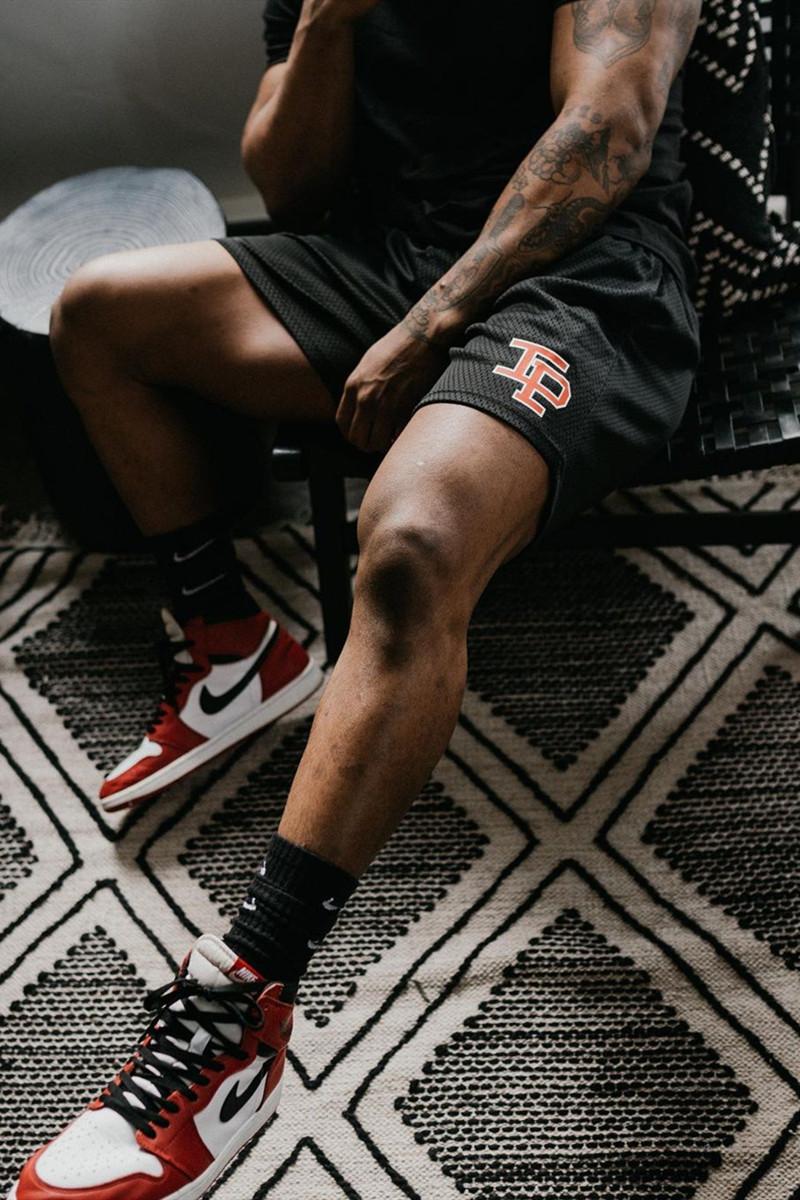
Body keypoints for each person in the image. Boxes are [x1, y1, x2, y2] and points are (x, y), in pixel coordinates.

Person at [9, 0, 704, 1195]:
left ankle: (240, 1008)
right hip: (392, 258)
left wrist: (434, 325)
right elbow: (289, 185)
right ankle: (234, 649)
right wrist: (327, 21)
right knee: (97, 315)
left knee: (411, 545)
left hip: (578, 283)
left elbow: (609, 127)